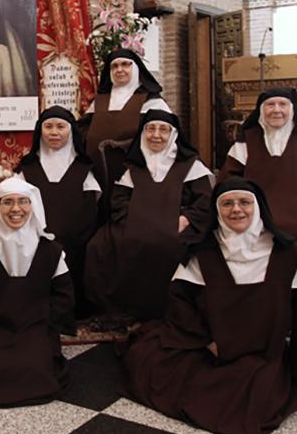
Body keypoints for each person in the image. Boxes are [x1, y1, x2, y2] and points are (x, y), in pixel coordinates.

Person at [123, 178, 297, 434]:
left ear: (258, 208)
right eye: (227, 203)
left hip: (263, 351)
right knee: (152, 366)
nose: (236, 210)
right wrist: (204, 341)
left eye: (245, 203)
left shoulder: (287, 255)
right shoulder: (202, 252)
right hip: (214, 347)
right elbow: (180, 303)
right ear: (217, 210)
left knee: (257, 399)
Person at [84, 110, 213, 321]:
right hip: (137, 223)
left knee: (174, 245)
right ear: (143, 134)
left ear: (173, 135)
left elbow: (204, 202)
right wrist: (132, 221)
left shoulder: (191, 166)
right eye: (150, 129)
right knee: (99, 246)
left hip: (178, 224)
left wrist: (187, 218)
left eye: (163, 130)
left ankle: (175, 310)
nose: (156, 135)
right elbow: (119, 201)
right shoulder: (134, 166)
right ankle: (119, 309)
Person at [0, 177, 75, 407]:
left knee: (36, 366)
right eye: (7, 202)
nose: (16, 209)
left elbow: (64, 296)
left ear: (33, 206)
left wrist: (45, 324)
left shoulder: (50, 249)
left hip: (37, 326)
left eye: (23, 201)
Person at [217, 87, 297, 273]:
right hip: (252, 207)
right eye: (270, 105)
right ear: (262, 110)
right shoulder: (246, 141)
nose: (276, 110)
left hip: (296, 206)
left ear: (292, 109)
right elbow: (229, 177)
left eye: (282, 104)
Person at [15, 106, 101, 318]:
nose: (54, 132)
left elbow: (90, 212)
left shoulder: (83, 168)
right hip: (35, 239)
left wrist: (73, 237)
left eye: (60, 126)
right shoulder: (28, 167)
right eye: (48, 127)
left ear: (71, 131)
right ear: (40, 131)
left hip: (75, 241)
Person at [81, 49, 171, 190]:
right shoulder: (99, 102)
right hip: (98, 172)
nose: (119, 70)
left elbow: (167, 135)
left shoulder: (151, 101)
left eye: (125, 64)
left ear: (135, 68)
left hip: (136, 171)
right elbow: (82, 132)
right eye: (114, 66)